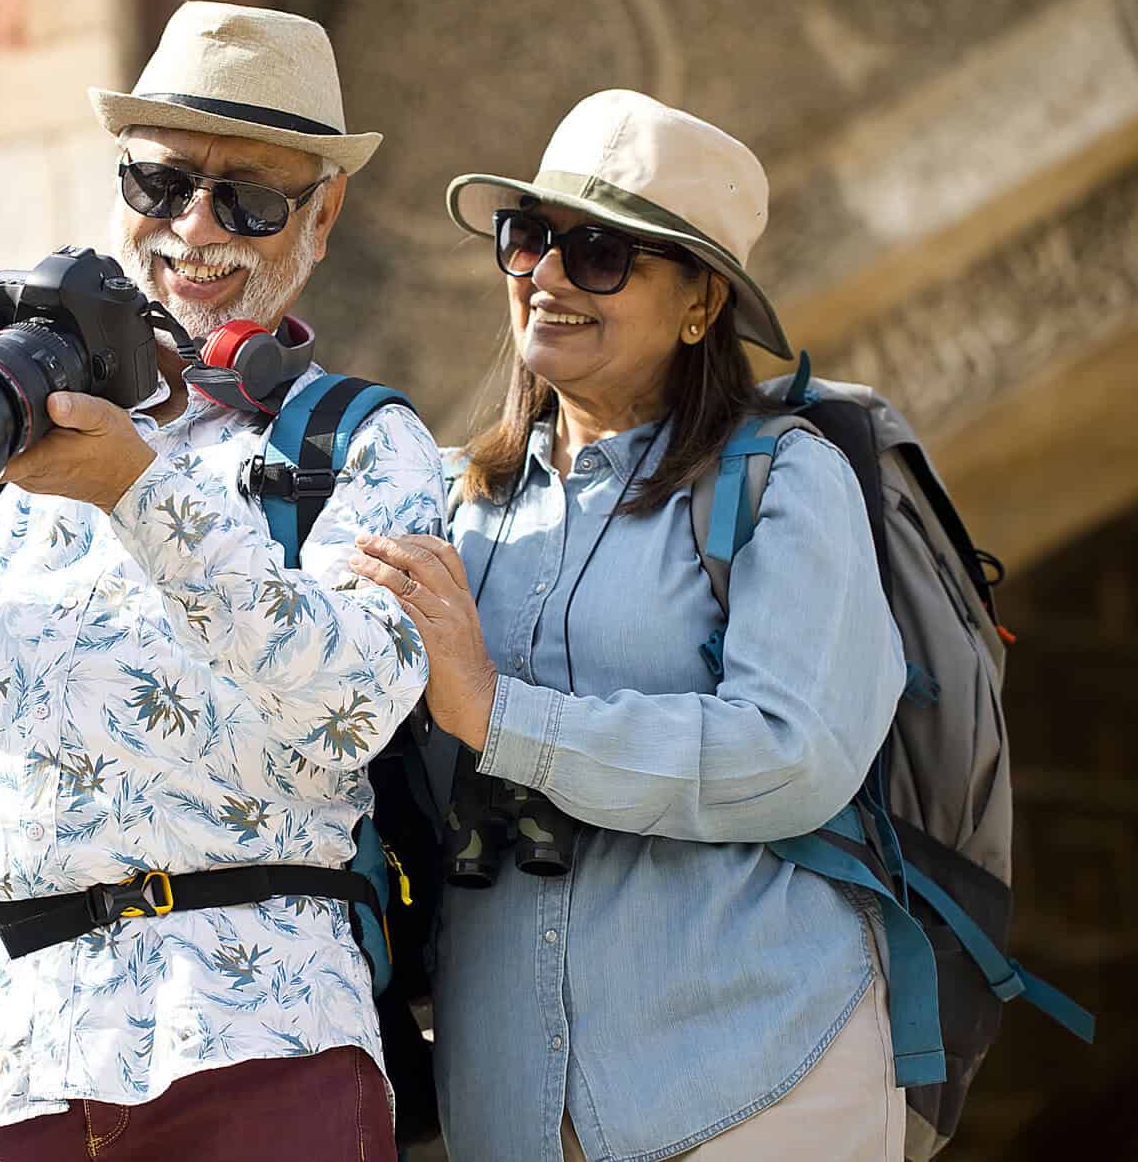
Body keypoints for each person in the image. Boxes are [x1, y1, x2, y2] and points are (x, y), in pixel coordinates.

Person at [0, 1, 444, 1162]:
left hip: (253, 1036)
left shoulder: (356, 444)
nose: (195, 230)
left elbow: (350, 706)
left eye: (251, 199)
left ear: (323, 212)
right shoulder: (0, 430)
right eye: (161, 185)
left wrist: (139, 492)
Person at [351, 90, 908, 1161]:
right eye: (530, 241)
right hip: (506, 1102)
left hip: (758, 1071)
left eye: (601, 254)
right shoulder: (453, 503)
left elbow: (793, 753)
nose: (548, 278)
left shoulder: (788, 481)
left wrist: (501, 716)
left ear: (701, 303)